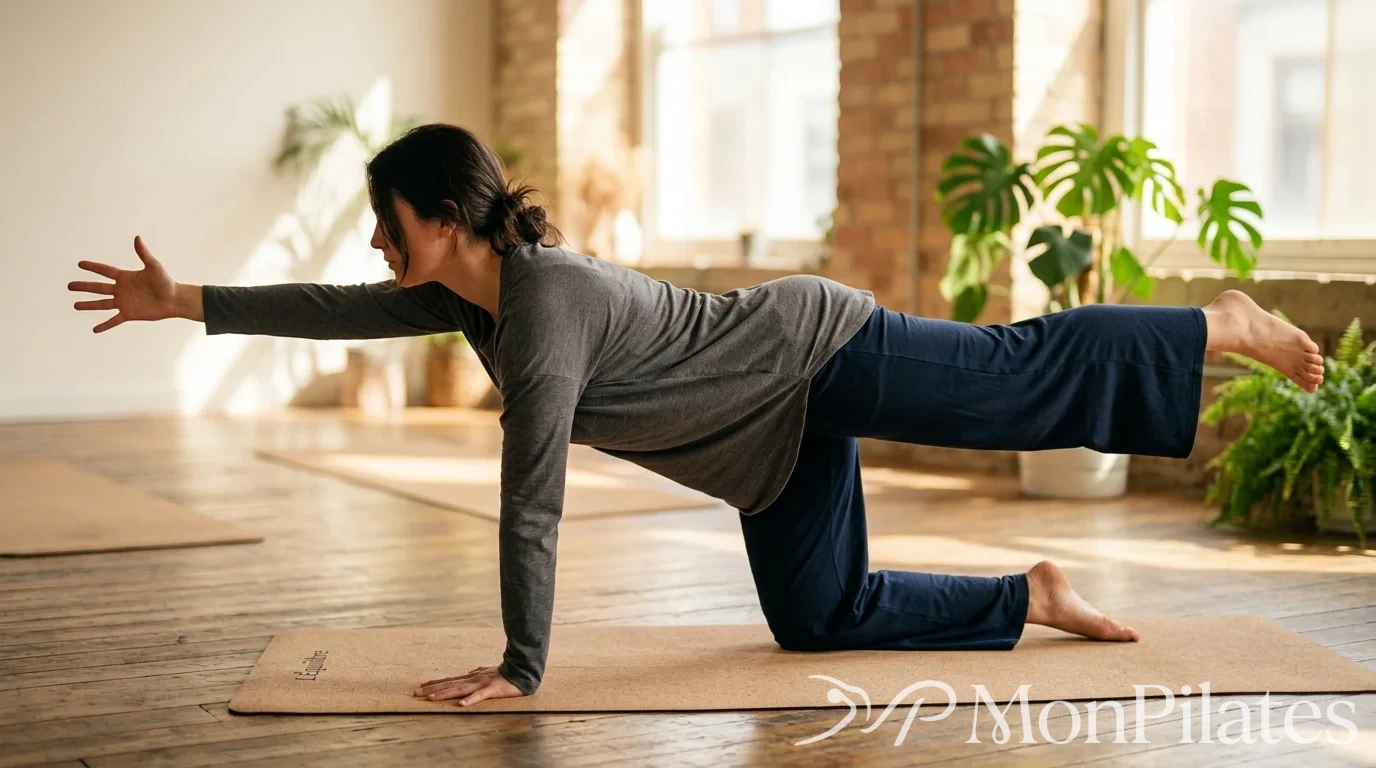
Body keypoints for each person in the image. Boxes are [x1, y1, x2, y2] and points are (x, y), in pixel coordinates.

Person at [69, 123, 1325, 708]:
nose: (377, 240)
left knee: (1013, 376)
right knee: (817, 616)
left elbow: (531, 497)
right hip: (765, 442)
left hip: (810, 351)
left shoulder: (542, 306)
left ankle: (1209, 323)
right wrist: (186, 300)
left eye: (390, 218)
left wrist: (521, 666)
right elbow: (340, 308)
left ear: (445, 215)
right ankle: (1028, 595)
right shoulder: (467, 299)